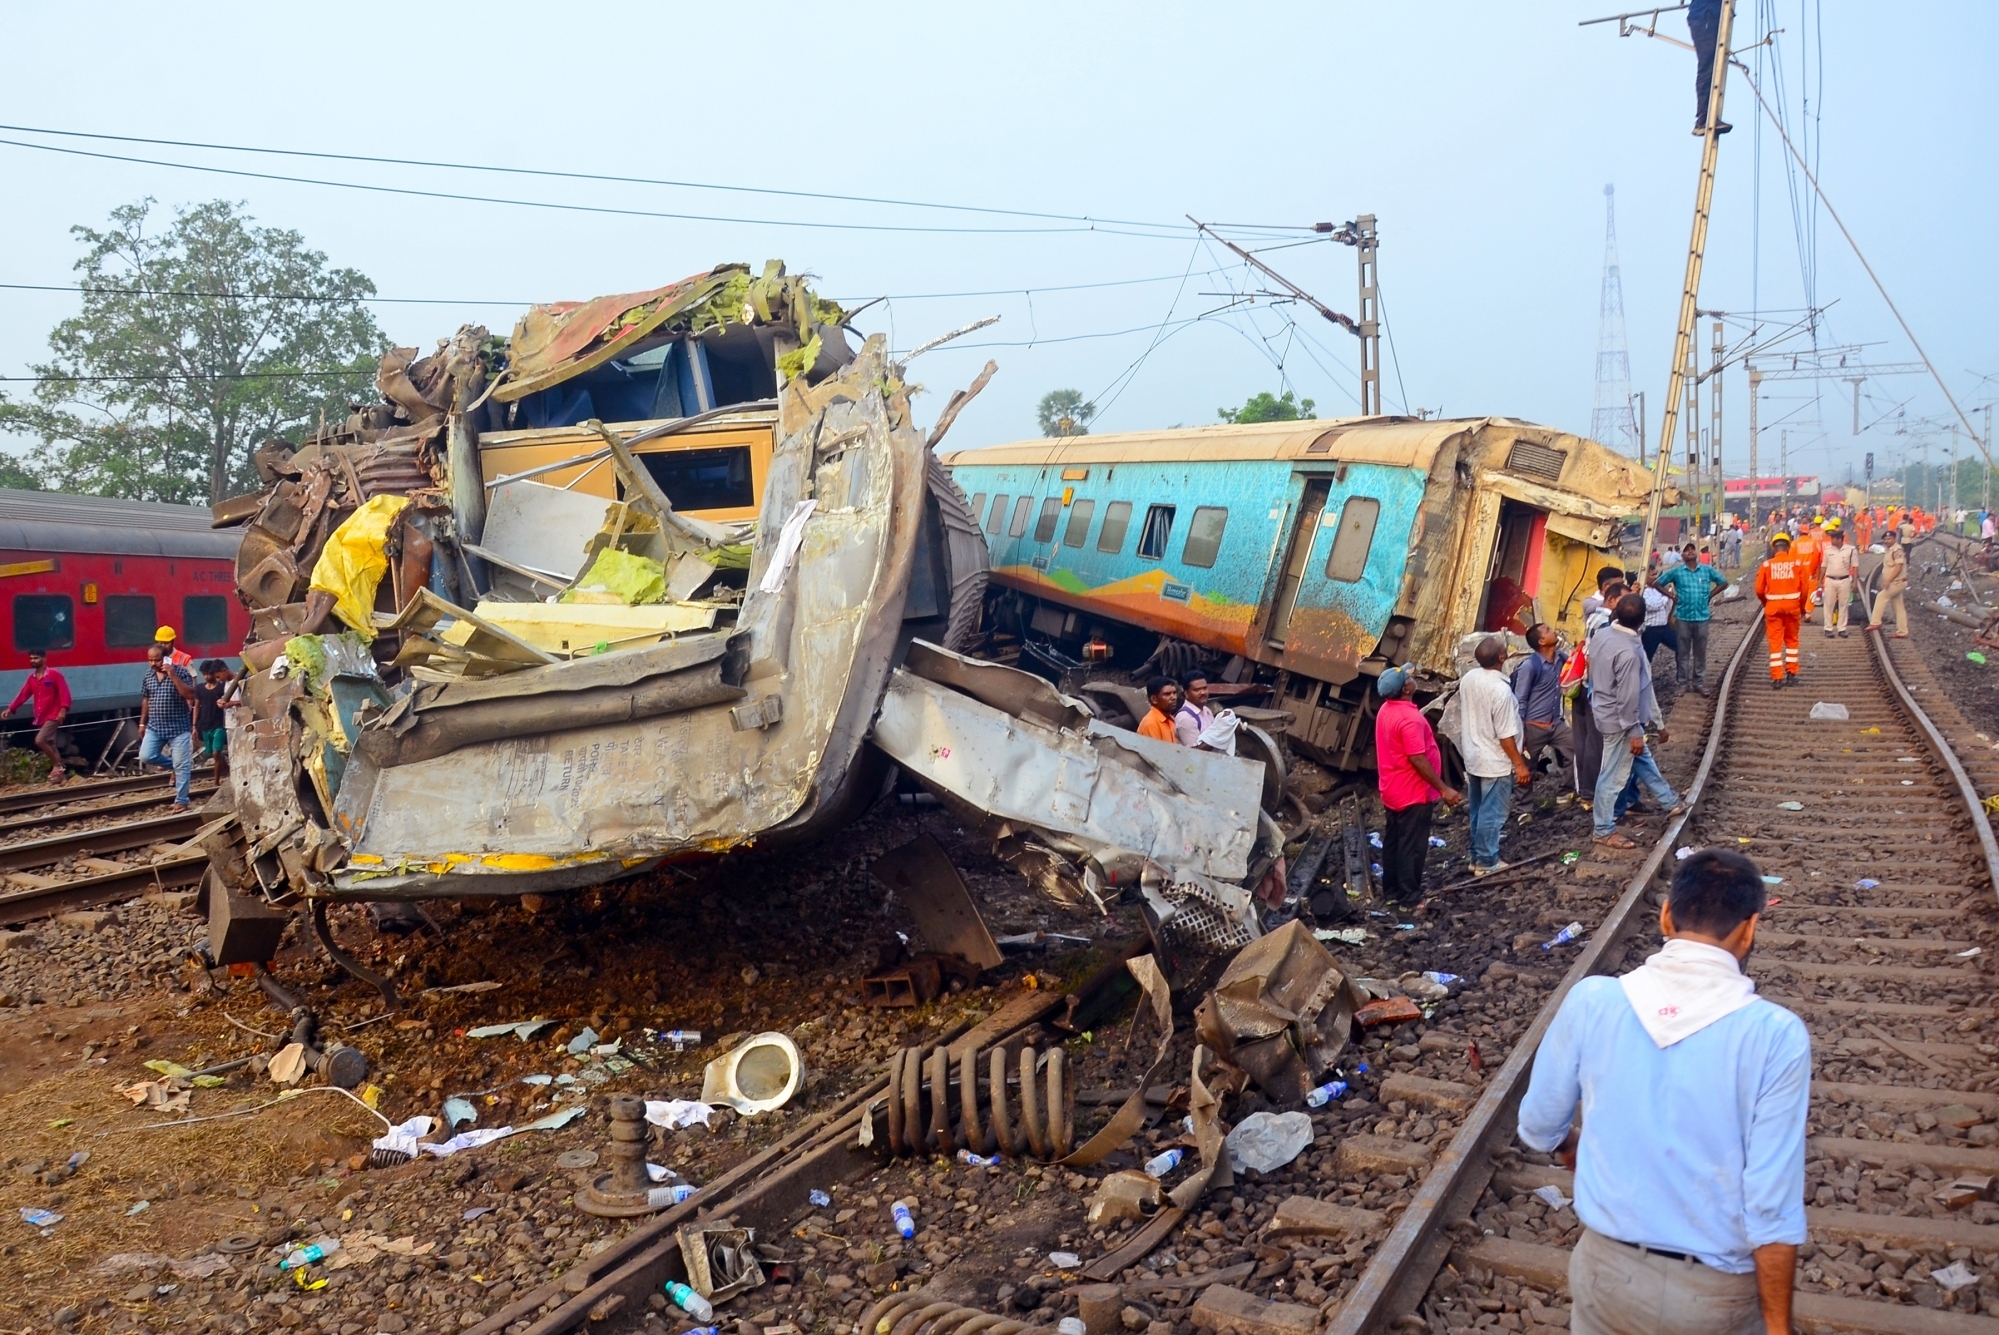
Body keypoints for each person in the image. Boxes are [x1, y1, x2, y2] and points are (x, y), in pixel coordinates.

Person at [1517, 848, 1807, 1335]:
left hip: (1609, 1277)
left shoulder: (1594, 1001)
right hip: (1715, 1299)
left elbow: (1540, 1124)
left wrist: (1569, 1142)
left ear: (1667, 916)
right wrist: (1778, 1328)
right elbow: (1771, 1208)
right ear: (1750, 928)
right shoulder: (1776, 1035)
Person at [1589, 594, 1682, 850]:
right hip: (1620, 722)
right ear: (1643, 621)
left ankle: (1670, 801)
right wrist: (1634, 730)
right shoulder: (1629, 652)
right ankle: (1603, 829)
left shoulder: (1602, 635)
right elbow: (1628, 696)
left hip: (1604, 711)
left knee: (1642, 759)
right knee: (1612, 776)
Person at [1374, 666, 1461, 907]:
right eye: (1409, 677)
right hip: (1412, 792)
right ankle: (1410, 897)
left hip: (1391, 788)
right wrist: (1444, 789)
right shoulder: (1410, 719)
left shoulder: (1385, 710)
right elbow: (1417, 758)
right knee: (1412, 846)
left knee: (1393, 841)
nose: (1413, 679)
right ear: (1406, 688)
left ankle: (1391, 892)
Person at [1457, 637, 1533, 875]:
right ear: (1502, 658)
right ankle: (1487, 861)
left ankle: (1476, 857)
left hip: (1473, 756)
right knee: (1493, 814)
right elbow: (1505, 736)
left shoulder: (1469, 678)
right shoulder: (1501, 691)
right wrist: (1519, 765)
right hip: (1495, 762)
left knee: (1478, 811)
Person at [1656, 541, 1731, 693]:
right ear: (1682, 555)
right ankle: (1683, 683)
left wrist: (1710, 595)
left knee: (1700, 652)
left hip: (1702, 617)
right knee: (1683, 652)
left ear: (1696, 553)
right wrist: (1672, 596)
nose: (1690, 552)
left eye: (1692, 549)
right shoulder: (1676, 572)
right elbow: (1658, 583)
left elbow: (1724, 582)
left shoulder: (1706, 570)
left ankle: (1699, 682)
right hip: (1683, 618)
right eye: (1686, 550)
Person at [137, 643, 201, 810]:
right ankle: (176, 765)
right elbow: (146, 699)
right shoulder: (148, 675)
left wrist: (172, 675)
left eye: (156, 660)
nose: (153, 664)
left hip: (178, 727)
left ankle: (181, 801)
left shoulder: (180, 672)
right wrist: (142, 722)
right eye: (150, 660)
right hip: (155, 726)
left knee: (182, 766)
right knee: (146, 756)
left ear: (166, 659)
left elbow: (190, 694)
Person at [1514, 623, 1573, 797]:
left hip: (1555, 723)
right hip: (1533, 726)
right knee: (1527, 768)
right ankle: (1523, 809)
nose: (1553, 631)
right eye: (1548, 630)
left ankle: (1566, 792)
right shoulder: (1529, 666)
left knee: (1577, 751)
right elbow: (1520, 699)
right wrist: (1521, 730)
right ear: (1541, 641)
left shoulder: (1561, 658)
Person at [6, 650, 72, 784]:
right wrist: (11, 708)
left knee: (40, 740)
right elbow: (23, 695)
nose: (33, 661)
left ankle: (58, 766)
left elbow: (64, 692)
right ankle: (61, 778)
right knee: (51, 744)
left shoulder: (54, 674)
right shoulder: (32, 678)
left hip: (54, 714)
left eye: (36, 658)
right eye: (31, 658)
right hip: (42, 715)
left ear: (44, 659)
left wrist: (63, 709)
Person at [1753, 532, 1806, 688]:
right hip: (1792, 607)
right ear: (1788, 547)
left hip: (1773, 608)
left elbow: (1758, 589)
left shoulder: (1766, 565)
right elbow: (1804, 590)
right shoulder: (1797, 564)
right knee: (1792, 641)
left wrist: (1766, 602)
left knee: (1775, 643)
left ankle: (1777, 678)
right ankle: (1791, 674)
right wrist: (1801, 607)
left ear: (1774, 549)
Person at [1688, 0, 1732, 136]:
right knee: (1707, 66)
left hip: (1712, 16)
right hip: (1704, 16)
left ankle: (1707, 118)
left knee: (1713, 65)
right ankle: (1703, 120)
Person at [1640, 570, 1682, 683]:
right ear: (1645, 576)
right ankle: (1643, 680)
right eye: (1652, 575)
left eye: (1657, 575)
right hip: (1650, 629)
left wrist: (1668, 596)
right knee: (1646, 657)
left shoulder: (1660, 590)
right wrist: (1667, 596)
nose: (1656, 578)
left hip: (1664, 627)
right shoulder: (1643, 591)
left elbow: (1669, 605)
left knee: (1681, 647)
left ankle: (1681, 677)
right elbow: (1652, 606)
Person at [1868, 528, 1910, 639]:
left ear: (1894, 539)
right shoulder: (1889, 550)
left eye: (1889, 539)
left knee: (1881, 597)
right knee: (1898, 607)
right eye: (1885, 539)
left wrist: (1888, 580)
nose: (1887, 541)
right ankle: (1902, 631)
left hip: (1897, 582)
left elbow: (1899, 567)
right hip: (1896, 582)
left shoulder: (1897, 551)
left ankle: (1875, 622)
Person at [1819, 520, 1858, 638]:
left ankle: (1842, 628)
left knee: (1843, 604)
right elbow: (1823, 566)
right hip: (1830, 580)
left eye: (1834, 539)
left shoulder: (1851, 550)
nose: (1831, 541)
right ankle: (1828, 628)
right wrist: (1820, 581)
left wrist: (1855, 582)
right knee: (1828, 604)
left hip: (1845, 580)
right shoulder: (1828, 551)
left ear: (1840, 539)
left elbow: (1855, 567)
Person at [194, 659, 232, 781]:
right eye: (204, 674)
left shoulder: (222, 688)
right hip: (205, 725)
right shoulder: (200, 689)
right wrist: (194, 725)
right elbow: (196, 707)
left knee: (216, 753)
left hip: (219, 724)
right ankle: (230, 773)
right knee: (214, 753)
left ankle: (216, 782)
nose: (206, 677)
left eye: (208, 674)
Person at [1173, 673, 1215, 747]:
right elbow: (1194, 752)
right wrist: (1220, 733)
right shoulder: (1185, 717)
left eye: (1204, 688)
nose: (1203, 693)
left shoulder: (1207, 710)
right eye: (1197, 690)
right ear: (1186, 694)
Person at [1137, 677, 1181, 743]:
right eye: (1167, 694)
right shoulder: (1150, 723)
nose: (1174, 697)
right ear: (1154, 699)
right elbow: (1155, 752)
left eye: (1174, 693)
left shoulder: (1170, 719)